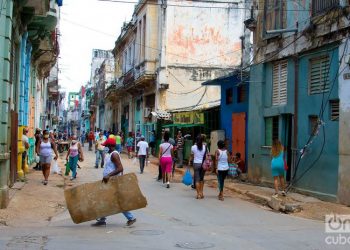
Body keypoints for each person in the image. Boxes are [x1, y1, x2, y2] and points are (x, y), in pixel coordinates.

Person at [91, 137, 136, 227]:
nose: (105, 147)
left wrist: (108, 175)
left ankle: (131, 218)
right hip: (109, 181)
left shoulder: (114, 155)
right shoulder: (111, 154)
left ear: (110, 146)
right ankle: (102, 219)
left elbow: (120, 168)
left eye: (106, 146)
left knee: (116, 200)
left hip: (113, 181)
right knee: (105, 199)